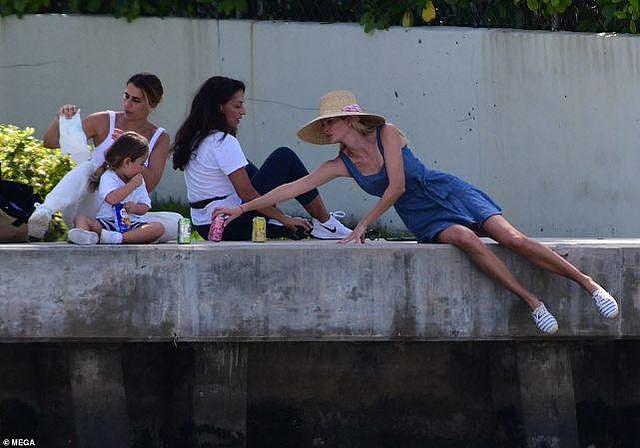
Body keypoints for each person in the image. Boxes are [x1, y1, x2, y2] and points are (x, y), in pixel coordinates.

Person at [213, 90, 620, 334]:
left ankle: (589, 285)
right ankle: (532, 302)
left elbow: (398, 185)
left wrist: (364, 227)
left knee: (511, 239)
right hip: (421, 215)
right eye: (323, 127)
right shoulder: (341, 163)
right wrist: (242, 208)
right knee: (462, 239)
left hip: (444, 191)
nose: (325, 131)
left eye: (329, 124)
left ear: (349, 120)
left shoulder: (387, 132)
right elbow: (292, 187)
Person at [172, 76, 351, 241]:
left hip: (204, 226)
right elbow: (247, 194)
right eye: (238, 106)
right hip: (229, 223)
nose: (243, 112)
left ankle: (281, 225)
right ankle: (326, 223)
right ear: (220, 107)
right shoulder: (223, 141)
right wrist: (284, 218)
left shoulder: (196, 139)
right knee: (284, 157)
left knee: (246, 166)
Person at [28, 72, 181, 242]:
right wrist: (60, 120)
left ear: (151, 105)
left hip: (122, 213)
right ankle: (44, 212)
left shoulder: (160, 137)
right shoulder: (104, 120)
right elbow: (50, 142)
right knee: (88, 168)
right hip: (89, 207)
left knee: (177, 222)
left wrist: (129, 149)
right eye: (126, 96)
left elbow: (149, 184)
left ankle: (99, 235)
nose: (127, 104)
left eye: (136, 100)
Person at [67, 132, 164, 244]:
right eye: (141, 164)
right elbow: (112, 199)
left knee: (158, 228)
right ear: (127, 162)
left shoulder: (139, 180)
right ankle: (85, 237)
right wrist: (131, 185)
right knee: (80, 219)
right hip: (107, 222)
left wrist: (135, 208)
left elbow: (145, 206)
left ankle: (118, 238)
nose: (142, 169)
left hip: (131, 224)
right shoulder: (109, 176)